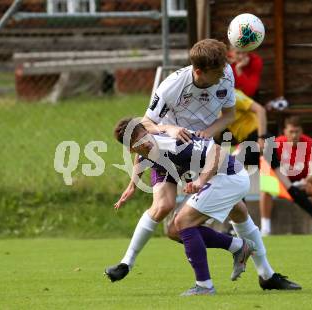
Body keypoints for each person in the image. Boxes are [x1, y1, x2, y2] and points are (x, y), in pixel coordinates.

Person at [105, 39, 299, 291]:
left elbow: (228, 116)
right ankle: (126, 263)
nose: (223, 77)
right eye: (216, 74)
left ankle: (261, 273)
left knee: (229, 212)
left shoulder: (225, 73)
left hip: (198, 149)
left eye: (223, 71)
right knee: (164, 208)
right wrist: (170, 129)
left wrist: (205, 135)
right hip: (172, 143)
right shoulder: (171, 87)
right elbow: (143, 128)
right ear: (198, 71)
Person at [107, 117, 302, 295]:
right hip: (224, 178)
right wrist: (132, 185)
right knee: (177, 230)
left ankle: (205, 285)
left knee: (182, 223)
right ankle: (249, 257)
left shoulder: (170, 142)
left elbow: (216, 151)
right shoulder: (145, 150)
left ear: (148, 131)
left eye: (145, 136)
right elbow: (140, 159)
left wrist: (200, 180)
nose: (145, 142)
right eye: (139, 143)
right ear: (132, 148)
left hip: (228, 177)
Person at [260, 116, 312, 236]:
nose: (294, 135)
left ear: (301, 131)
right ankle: (265, 228)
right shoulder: (276, 144)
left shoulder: (309, 143)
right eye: (291, 131)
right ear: (285, 132)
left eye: (297, 131)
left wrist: (303, 182)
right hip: (283, 184)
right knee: (266, 188)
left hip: (303, 183)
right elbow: (268, 171)